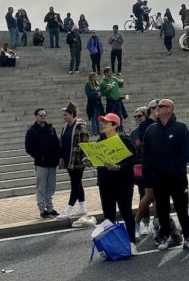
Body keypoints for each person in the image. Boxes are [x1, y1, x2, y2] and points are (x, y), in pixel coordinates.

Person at [142, 98, 189, 250]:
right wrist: (149, 177)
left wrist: (173, 164)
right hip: (159, 179)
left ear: (170, 109)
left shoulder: (181, 127)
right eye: (156, 107)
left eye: (161, 106)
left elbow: (187, 151)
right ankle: (165, 236)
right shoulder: (151, 130)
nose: (157, 108)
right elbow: (145, 155)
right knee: (163, 209)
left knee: (182, 209)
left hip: (177, 177)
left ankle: (188, 238)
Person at [95, 113, 137, 252]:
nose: (103, 125)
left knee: (126, 212)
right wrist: (90, 160)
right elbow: (97, 159)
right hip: (105, 183)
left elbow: (133, 160)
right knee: (108, 215)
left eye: (106, 123)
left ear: (115, 125)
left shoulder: (124, 140)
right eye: (103, 122)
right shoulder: (100, 141)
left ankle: (132, 243)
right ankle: (112, 245)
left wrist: (118, 167)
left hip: (123, 183)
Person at [25, 107, 61, 218]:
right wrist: (39, 157)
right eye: (40, 115)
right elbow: (29, 147)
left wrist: (58, 157)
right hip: (41, 164)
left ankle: (50, 208)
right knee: (41, 187)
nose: (43, 117)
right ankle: (42, 209)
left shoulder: (51, 129)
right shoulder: (32, 131)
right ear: (36, 116)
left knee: (51, 187)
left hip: (52, 163)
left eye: (44, 114)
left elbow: (56, 144)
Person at [59, 104, 90, 218]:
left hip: (77, 161)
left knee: (75, 184)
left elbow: (85, 144)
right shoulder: (66, 126)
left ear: (72, 114)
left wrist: (84, 159)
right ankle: (83, 208)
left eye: (66, 115)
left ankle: (68, 209)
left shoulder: (80, 127)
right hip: (68, 160)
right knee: (77, 183)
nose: (64, 117)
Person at [130, 105, 153, 236]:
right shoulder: (134, 133)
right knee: (143, 196)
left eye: (140, 116)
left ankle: (157, 223)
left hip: (153, 167)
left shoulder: (152, 129)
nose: (138, 118)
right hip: (140, 169)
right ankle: (145, 224)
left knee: (156, 197)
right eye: (136, 116)